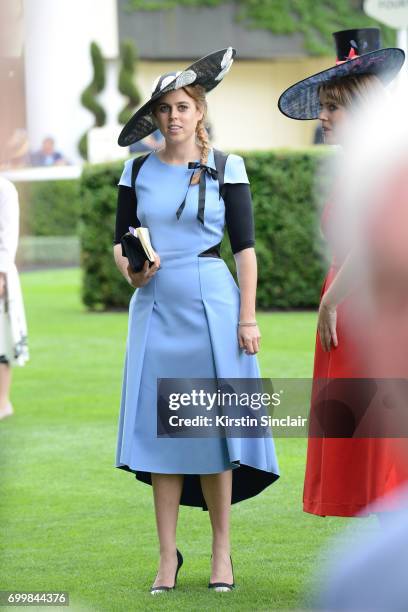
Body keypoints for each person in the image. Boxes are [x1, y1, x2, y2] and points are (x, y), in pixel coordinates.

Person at [113, 47, 279, 594]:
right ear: (155, 117)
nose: (173, 117)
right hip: (156, 308)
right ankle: (166, 559)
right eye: (164, 109)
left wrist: (248, 319)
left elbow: (246, 251)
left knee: (212, 436)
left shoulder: (228, 167)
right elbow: (122, 242)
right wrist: (132, 272)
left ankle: (221, 555)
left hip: (215, 309)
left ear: (199, 111)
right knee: (164, 437)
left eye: (183, 106)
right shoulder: (134, 170)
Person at [278, 28, 407, 517]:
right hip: (350, 312)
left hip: (369, 310)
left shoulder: (384, 165)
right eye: (324, 106)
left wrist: (333, 298)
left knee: (380, 439)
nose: (324, 117)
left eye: (334, 107)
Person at [0, 177, 29, 419]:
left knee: (2, 340)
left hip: (1, 274)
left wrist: (1, 274)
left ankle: (2, 403)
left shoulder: (5, 189)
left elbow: (8, 236)